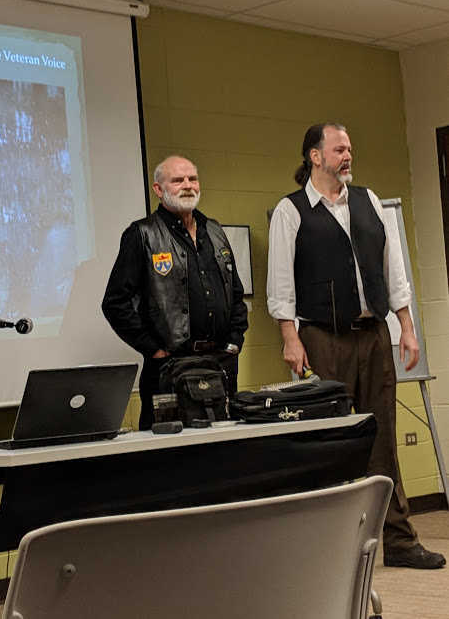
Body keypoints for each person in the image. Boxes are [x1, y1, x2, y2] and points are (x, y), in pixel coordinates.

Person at [267, 122, 446, 569]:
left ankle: (400, 542)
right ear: (315, 156)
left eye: (350, 149)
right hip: (322, 337)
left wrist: (406, 326)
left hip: (374, 334)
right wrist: (290, 338)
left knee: (382, 436)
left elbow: (394, 270)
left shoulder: (369, 203)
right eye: (339, 149)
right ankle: (334, 549)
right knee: (332, 439)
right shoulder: (291, 212)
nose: (348, 155)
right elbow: (280, 283)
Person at [102, 155, 248, 430]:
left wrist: (234, 340)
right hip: (169, 368)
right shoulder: (142, 234)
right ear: (159, 189)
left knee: (224, 451)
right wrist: (153, 349)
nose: (188, 185)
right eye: (177, 180)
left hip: (220, 363)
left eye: (192, 178)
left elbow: (236, 294)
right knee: (170, 455)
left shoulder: (214, 230)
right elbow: (115, 303)